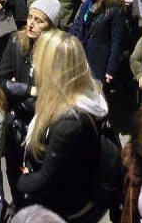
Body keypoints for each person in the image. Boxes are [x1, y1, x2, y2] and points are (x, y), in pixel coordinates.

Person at [17, 30, 112, 222]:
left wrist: (24, 180)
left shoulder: (70, 124)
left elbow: (48, 179)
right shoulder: (84, 94)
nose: (35, 66)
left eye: (39, 60)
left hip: (67, 208)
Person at [0, 0, 60, 204]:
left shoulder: (58, 50)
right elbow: (0, 80)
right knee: (14, 173)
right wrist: (30, 90)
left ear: (51, 25)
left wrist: (17, 89)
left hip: (43, 123)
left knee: (40, 176)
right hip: (16, 121)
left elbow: (54, 91)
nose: (30, 23)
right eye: (30, 17)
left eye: (38, 20)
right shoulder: (16, 41)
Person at [69, 0, 128, 85]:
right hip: (81, 54)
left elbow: (117, 42)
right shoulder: (89, 1)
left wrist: (111, 69)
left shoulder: (115, 9)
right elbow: (79, 22)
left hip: (98, 61)